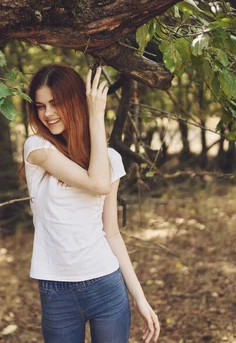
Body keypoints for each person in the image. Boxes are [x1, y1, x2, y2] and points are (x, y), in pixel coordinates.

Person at [19, 63, 160, 343]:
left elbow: (112, 233)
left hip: (107, 285)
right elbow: (97, 184)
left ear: (75, 102)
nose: (47, 113)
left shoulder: (110, 159)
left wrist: (140, 298)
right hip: (57, 292)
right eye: (40, 106)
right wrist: (96, 115)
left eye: (55, 103)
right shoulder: (37, 148)